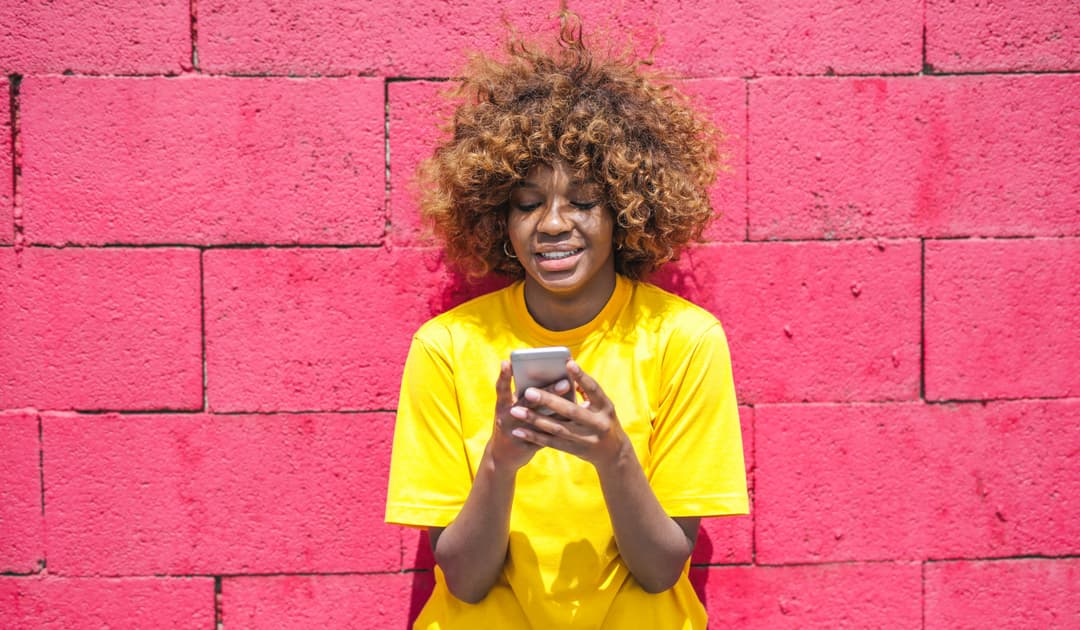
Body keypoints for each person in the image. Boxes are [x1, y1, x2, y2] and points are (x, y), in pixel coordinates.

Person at [385, 15, 748, 629]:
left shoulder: (685, 340)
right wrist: (500, 459)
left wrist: (614, 456)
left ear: (627, 209)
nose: (553, 224)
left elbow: (662, 571)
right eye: (528, 204)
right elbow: (466, 582)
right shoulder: (446, 346)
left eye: (582, 201)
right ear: (499, 216)